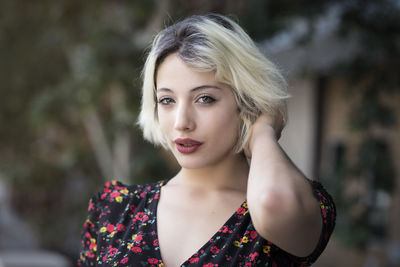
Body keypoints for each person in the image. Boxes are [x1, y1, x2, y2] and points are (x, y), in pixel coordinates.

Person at [77, 14, 335, 267]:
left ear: (247, 103)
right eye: (167, 100)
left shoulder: (294, 204)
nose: (182, 122)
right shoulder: (115, 208)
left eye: (205, 99)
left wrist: (263, 130)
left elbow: (272, 202)